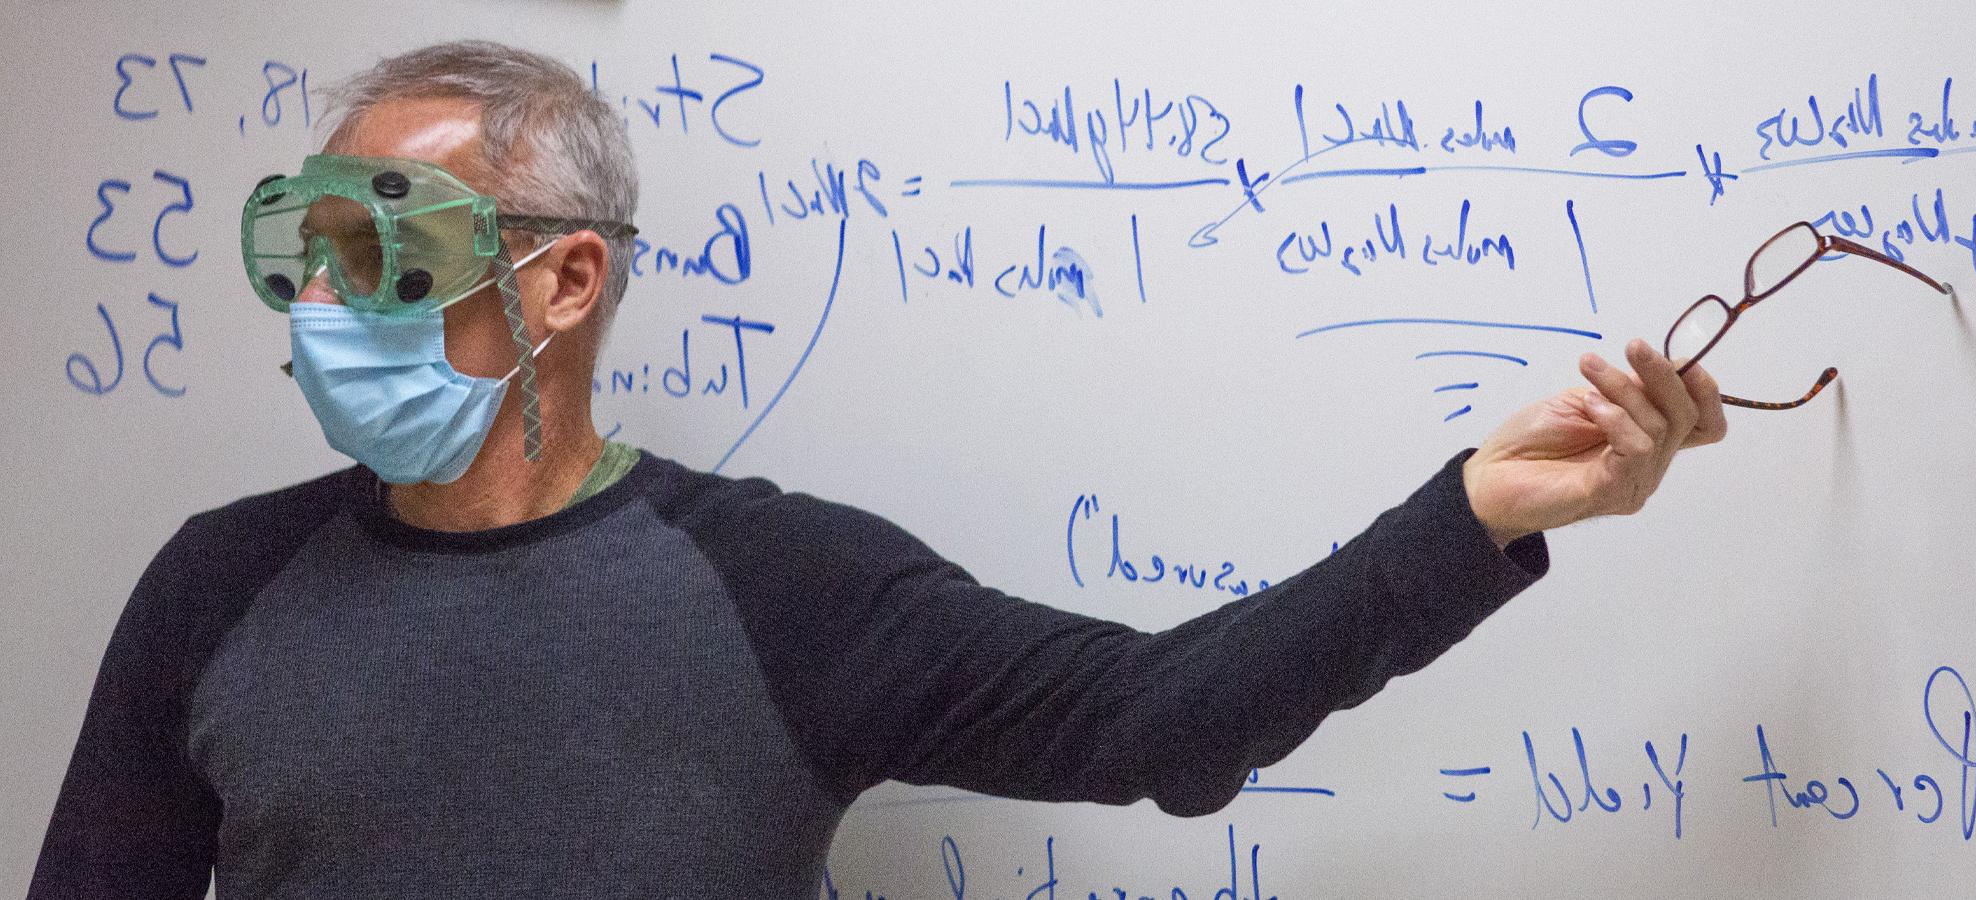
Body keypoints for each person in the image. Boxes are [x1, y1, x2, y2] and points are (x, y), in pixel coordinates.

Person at [27, 41, 1725, 899]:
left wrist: (1472, 518)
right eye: (305, 254)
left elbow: (1162, 719)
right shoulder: (214, 585)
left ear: (563, 283)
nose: (327, 303)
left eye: (384, 249)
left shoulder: (780, 589)